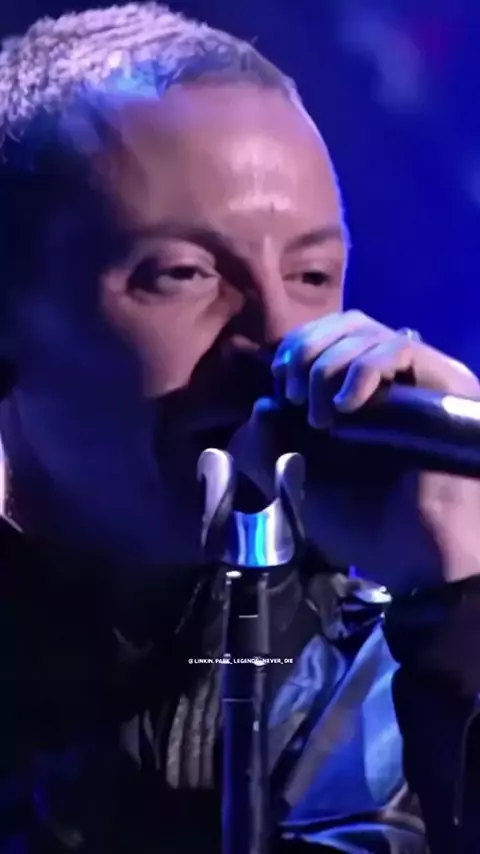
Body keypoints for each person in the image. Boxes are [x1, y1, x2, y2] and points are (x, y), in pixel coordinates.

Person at [0, 4, 479, 852]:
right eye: (182, 274)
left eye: (312, 274)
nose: (280, 339)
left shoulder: (403, 665)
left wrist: (456, 603)